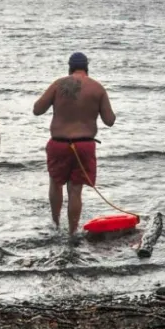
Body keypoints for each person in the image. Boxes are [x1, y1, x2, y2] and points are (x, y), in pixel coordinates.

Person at [33, 52, 116, 238]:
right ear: (87, 67)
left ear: (69, 67)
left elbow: (37, 110)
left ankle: (55, 224)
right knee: (75, 190)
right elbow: (109, 120)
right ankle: (72, 232)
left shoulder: (58, 84)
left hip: (59, 143)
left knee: (56, 184)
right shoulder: (97, 88)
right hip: (85, 145)